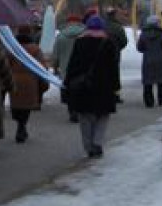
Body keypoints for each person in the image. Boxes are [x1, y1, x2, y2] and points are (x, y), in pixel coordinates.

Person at [64, 14, 119, 158]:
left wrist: (67, 82)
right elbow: (114, 67)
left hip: (83, 87)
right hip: (104, 86)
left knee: (85, 118)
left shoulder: (80, 43)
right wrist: (116, 85)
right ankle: (97, 142)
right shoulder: (108, 43)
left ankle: (88, 146)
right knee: (102, 116)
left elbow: (72, 65)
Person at [8, 25, 47, 143]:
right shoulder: (35, 49)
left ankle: (20, 125)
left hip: (14, 79)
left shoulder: (12, 48)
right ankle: (22, 126)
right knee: (26, 107)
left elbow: (6, 63)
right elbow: (41, 65)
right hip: (30, 80)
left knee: (16, 105)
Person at [50, 14, 85, 122]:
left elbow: (55, 55)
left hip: (65, 69)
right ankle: (80, 109)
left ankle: (72, 111)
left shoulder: (61, 36)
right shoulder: (85, 35)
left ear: (68, 23)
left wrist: (55, 68)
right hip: (82, 69)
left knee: (68, 91)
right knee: (81, 90)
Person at [136, 15, 162, 107]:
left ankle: (149, 101)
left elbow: (140, 48)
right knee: (161, 82)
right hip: (161, 60)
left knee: (148, 82)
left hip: (148, 60)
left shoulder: (143, 34)